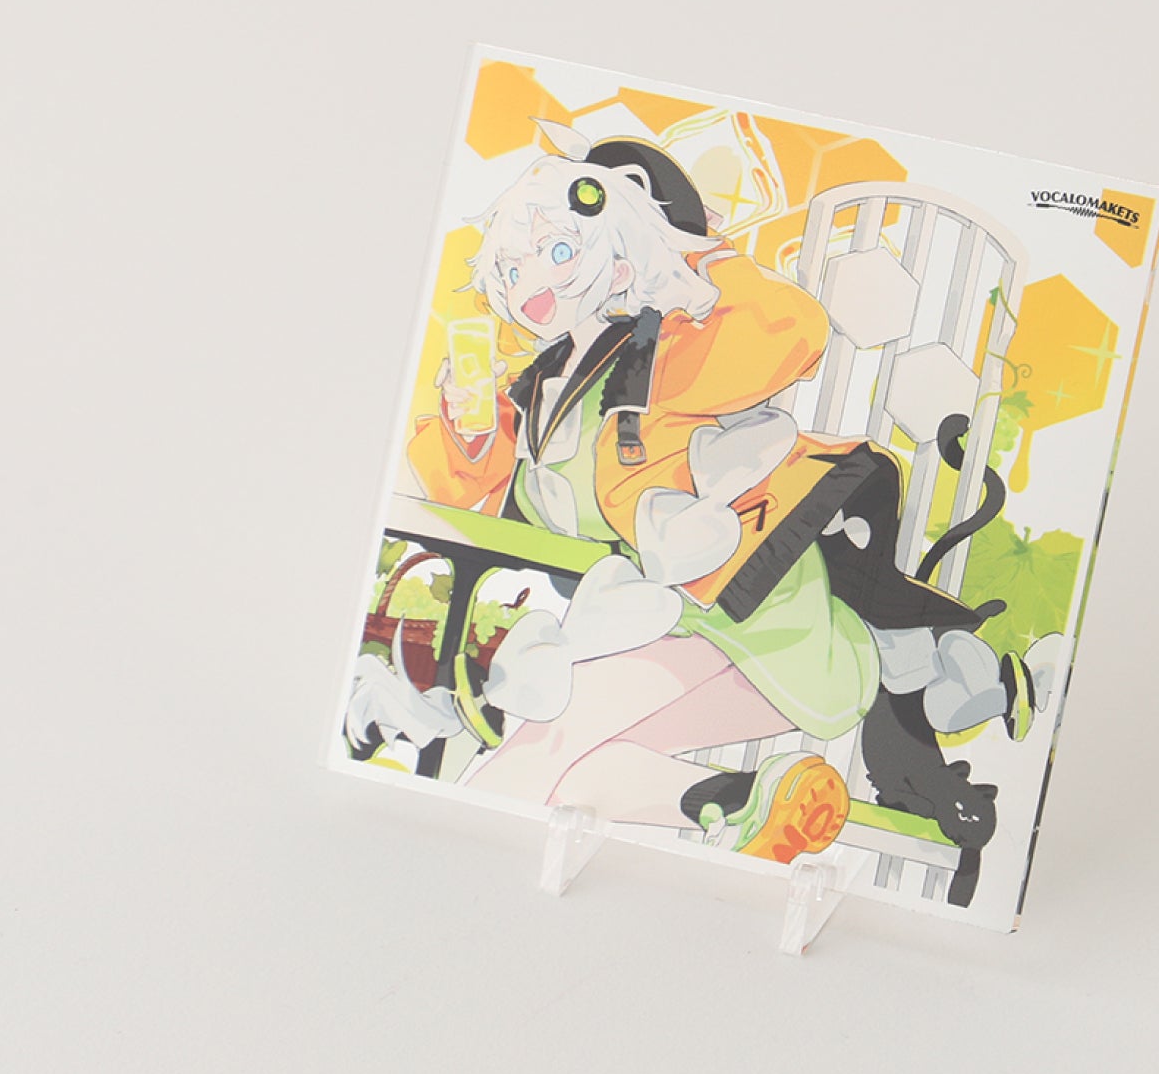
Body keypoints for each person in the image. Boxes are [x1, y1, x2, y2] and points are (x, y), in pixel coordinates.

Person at [400, 121, 1045, 867]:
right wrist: (465, 428)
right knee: (568, 766)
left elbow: (791, 328)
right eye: (513, 267)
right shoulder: (536, 387)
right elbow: (455, 493)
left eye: (562, 252)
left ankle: (439, 865)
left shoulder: (665, 358)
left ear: (625, 254)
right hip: (640, 628)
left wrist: (690, 245)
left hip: (750, 622)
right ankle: (747, 803)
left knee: (551, 734)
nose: (532, 284)